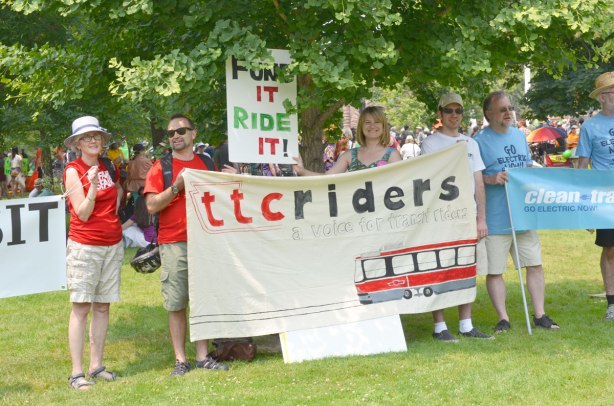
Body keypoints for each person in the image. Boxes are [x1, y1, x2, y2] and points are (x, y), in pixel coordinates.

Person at [144, 114, 228, 376]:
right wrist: (177, 187)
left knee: (202, 298)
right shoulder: (161, 167)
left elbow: (220, 196)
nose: (176, 136)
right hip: (174, 242)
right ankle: (181, 360)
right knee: (176, 302)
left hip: (204, 241)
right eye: (171, 133)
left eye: (181, 130)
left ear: (194, 133)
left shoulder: (206, 162)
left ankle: (203, 356)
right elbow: (151, 205)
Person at [474, 91, 559, 332]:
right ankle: (503, 318)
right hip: (495, 217)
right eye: (502, 109)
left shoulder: (519, 136)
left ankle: (540, 315)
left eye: (510, 108)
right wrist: (492, 178)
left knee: (534, 264)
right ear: (489, 114)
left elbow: (525, 166)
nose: (509, 112)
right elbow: (475, 178)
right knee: (495, 270)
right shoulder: (479, 141)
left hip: (522, 214)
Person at [420, 93, 492, 341]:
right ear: (439, 114)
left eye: (457, 111)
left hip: (467, 216)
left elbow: (478, 182)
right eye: (448, 111)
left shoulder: (471, 144)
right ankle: (440, 327)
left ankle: (466, 324)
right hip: (441, 216)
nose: (453, 115)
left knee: (466, 269)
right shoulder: (430, 143)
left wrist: (481, 218)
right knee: (438, 268)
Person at [63, 116, 123, 390]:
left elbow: (118, 193)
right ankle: (77, 373)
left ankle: (96, 366)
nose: (93, 140)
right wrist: (93, 188)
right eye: (86, 137)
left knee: (102, 305)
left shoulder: (108, 165)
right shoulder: (73, 171)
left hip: (112, 243)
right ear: (77, 144)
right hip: (85, 245)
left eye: (96, 136)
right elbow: (84, 213)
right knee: (82, 307)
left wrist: (113, 216)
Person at [576, 71, 614, 321]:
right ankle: (612, 303)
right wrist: (584, 205)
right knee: (610, 250)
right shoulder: (590, 126)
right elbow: (581, 168)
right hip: (605, 198)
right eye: (612, 92)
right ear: (602, 97)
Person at [294, 105, 402, 176]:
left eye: (377, 122)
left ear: (383, 126)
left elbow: (405, 182)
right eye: (367, 122)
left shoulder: (393, 155)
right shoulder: (349, 155)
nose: (372, 126)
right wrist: (301, 171)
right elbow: (327, 178)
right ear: (361, 126)